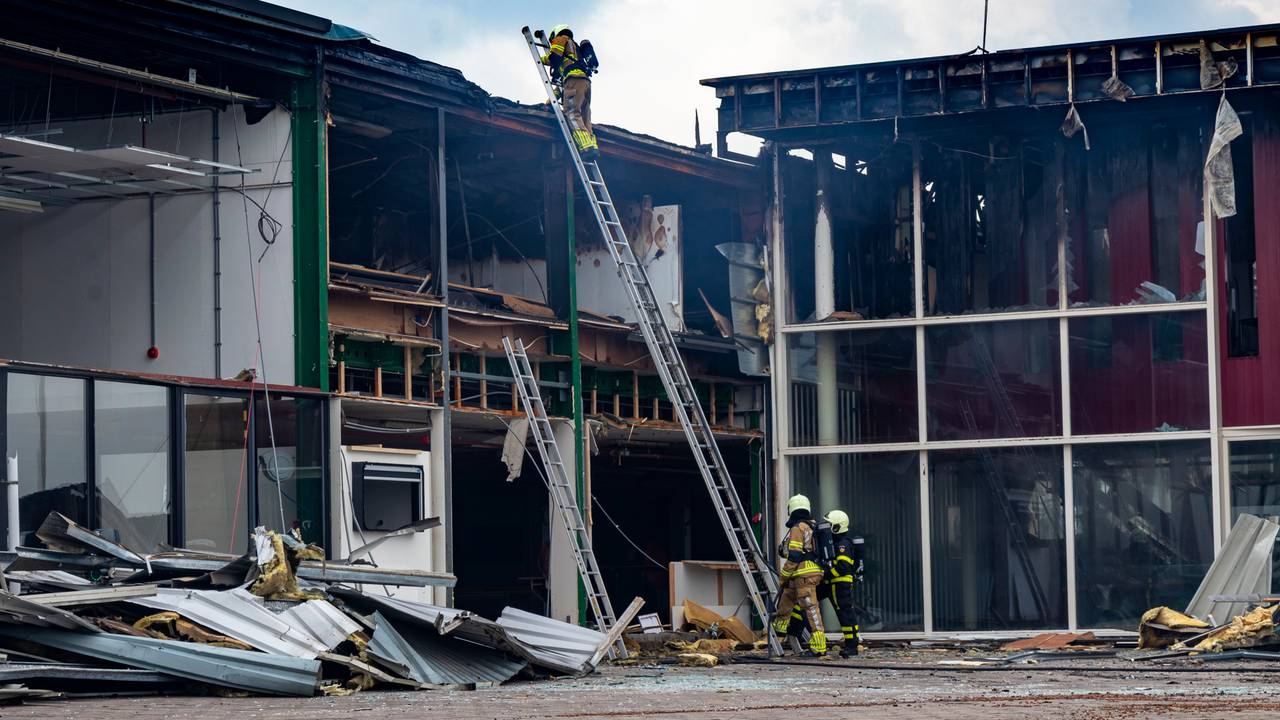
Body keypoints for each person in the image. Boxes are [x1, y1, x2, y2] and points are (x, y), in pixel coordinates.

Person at [771, 494, 827, 656]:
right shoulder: (812, 526)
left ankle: (818, 647)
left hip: (803, 574)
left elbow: (794, 555)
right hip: (807, 573)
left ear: (792, 509)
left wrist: (783, 575)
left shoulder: (798, 528)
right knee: (787, 598)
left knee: (810, 609)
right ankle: (779, 634)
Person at [541, 24, 598, 158]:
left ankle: (586, 146)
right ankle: (592, 146)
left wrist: (542, 59)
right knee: (584, 117)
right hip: (584, 82)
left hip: (573, 80)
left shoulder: (561, 39)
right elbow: (563, 87)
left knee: (572, 113)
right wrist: (551, 101)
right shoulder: (576, 51)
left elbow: (553, 57)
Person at [818, 510, 865, 658]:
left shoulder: (843, 544)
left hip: (840, 584)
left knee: (845, 614)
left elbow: (843, 567)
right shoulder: (836, 543)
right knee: (810, 599)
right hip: (833, 583)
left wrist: (826, 574)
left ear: (836, 528)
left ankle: (852, 646)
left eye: (830, 525)